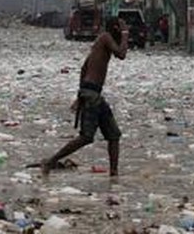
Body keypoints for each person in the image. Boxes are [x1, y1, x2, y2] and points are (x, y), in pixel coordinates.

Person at [41, 17, 129, 176]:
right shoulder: (106, 37)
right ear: (116, 28)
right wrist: (125, 33)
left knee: (114, 135)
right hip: (92, 95)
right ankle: (50, 161)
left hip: (91, 93)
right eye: (120, 29)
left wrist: (80, 95)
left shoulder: (99, 43)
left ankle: (114, 173)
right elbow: (121, 54)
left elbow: (84, 68)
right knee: (86, 137)